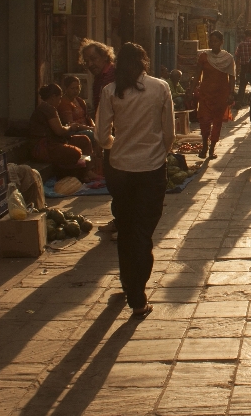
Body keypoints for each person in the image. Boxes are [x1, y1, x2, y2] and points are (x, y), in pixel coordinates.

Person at [96, 42, 175, 319]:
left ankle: (129, 283)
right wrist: (158, 154)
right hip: (151, 170)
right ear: (144, 62)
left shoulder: (110, 91)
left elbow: (100, 136)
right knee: (142, 233)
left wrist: (116, 145)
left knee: (127, 229)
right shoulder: (160, 87)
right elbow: (169, 134)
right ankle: (137, 295)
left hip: (119, 168)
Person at [79, 39, 117, 232]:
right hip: (108, 134)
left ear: (105, 56)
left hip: (116, 134)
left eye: (94, 59)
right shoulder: (100, 78)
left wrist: (100, 142)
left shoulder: (111, 76)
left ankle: (120, 220)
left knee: (115, 177)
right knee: (112, 177)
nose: (90, 64)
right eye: (87, 61)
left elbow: (108, 112)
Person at [29, 84, 97, 179]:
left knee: (84, 140)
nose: (60, 101)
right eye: (59, 98)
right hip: (43, 147)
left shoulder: (49, 108)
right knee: (75, 153)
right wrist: (70, 127)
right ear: (53, 97)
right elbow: (59, 131)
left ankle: (88, 172)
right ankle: (76, 174)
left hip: (53, 142)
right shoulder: (48, 108)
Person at [195, 30, 236, 159]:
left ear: (221, 42)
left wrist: (231, 93)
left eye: (216, 41)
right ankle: (205, 146)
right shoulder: (204, 57)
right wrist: (191, 89)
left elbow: (232, 77)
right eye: (211, 41)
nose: (213, 44)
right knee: (204, 121)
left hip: (221, 95)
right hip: (205, 94)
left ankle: (212, 148)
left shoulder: (228, 58)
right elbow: (197, 75)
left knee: (217, 122)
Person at [58, 75, 97, 149]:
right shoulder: (64, 103)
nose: (76, 91)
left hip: (86, 128)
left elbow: (87, 117)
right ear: (66, 89)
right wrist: (91, 129)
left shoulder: (79, 101)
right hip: (73, 132)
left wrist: (94, 127)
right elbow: (71, 124)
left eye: (77, 88)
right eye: (72, 88)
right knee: (92, 134)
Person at [234, 29, 251, 98]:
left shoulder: (241, 45)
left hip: (244, 67)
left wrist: (237, 69)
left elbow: (237, 57)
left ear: (245, 35)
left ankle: (240, 101)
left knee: (242, 85)